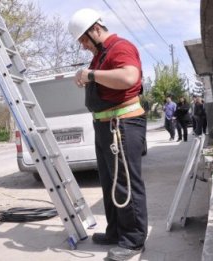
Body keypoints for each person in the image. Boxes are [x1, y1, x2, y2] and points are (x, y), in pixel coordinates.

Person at [68, 8, 147, 260]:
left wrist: (90, 74)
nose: (83, 46)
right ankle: (116, 231)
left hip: (121, 125)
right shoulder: (102, 53)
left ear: (96, 30)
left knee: (125, 184)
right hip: (106, 126)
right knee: (110, 183)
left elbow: (129, 76)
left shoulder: (120, 47)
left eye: (83, 40)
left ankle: (133, 240)